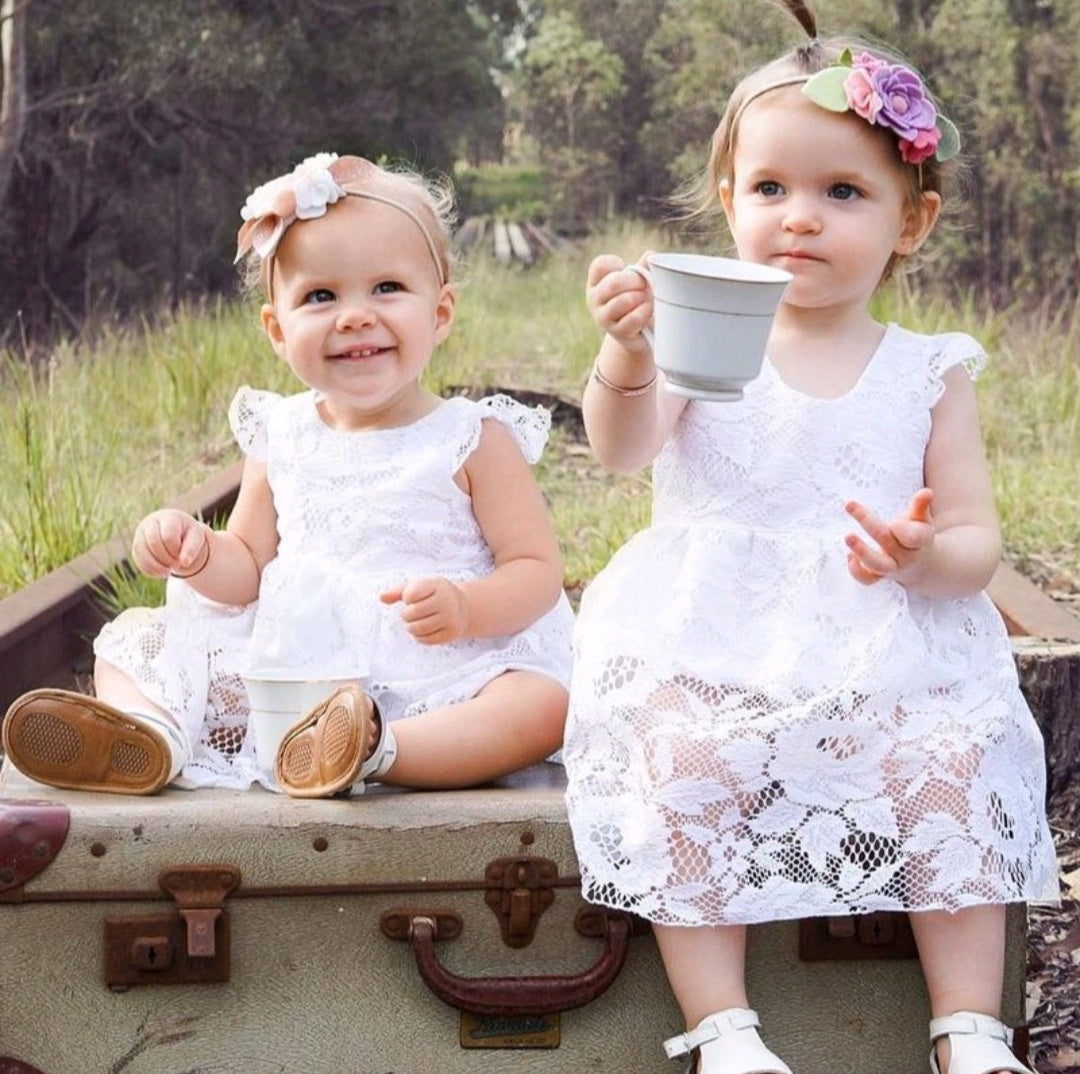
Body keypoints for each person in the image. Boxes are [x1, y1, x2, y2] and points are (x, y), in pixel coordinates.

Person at [561, 3, 1057, 1073]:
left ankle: (968, 1029)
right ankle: (721, 1027)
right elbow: (621, 448)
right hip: (713, 646)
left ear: (909, 223)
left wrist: (926, 557)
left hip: (882, 653)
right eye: (770, 189)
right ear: (729, 201)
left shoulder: (929, 370)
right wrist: (627, 353)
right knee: (683, 761)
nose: (800, 218)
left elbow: (974, 537)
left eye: (843, 193)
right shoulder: (706, 334)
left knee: (952, 758)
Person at [3, 152, 573, 799]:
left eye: (387, 288)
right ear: (277, 329)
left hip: (440, 672)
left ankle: (375, 750)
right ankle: (148, 734)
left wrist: (468, 609)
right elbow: (246, 566)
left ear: (440, 313)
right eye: (320, 296)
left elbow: (534, 569)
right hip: (289, 672)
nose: (354, 315)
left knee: (539, 703)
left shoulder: (473, 438)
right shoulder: (282, 433)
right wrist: (195, 553)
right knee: (133, 642)